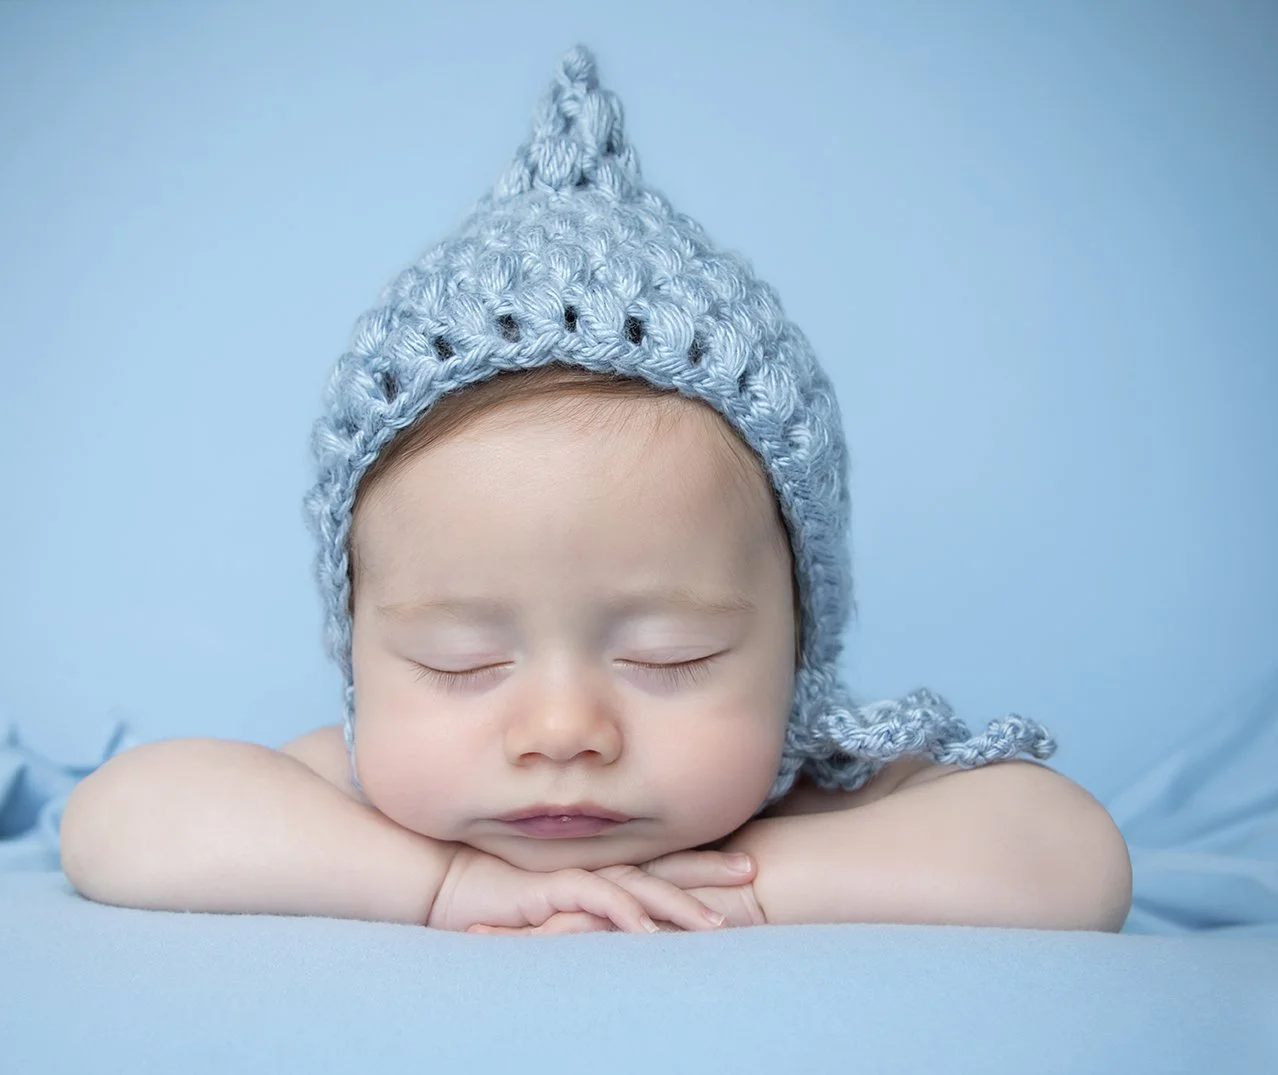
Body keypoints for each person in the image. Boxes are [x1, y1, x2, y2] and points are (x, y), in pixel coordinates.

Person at [59, 45, 1132, 935]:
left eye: (669, 657)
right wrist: (438, 884)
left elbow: (1073, 859)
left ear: (798, 648)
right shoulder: (360, 798)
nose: (564, 729)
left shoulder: (814, 789)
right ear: (358, 654)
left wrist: (751, 885)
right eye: (460, 661)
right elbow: (115, 820)